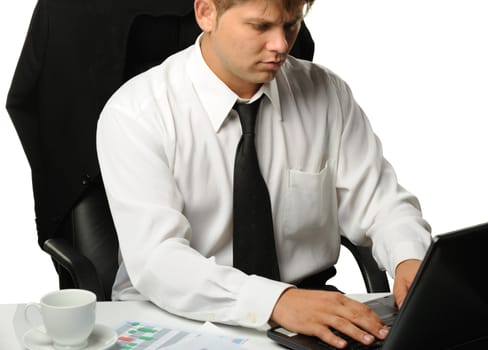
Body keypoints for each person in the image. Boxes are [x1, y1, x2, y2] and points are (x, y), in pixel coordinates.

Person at [96, 0, 432, 348]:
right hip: (173, 318)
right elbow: (158, 261)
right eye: (260, 27)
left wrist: (409, 257)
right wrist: (274, 301)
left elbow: (381, 202)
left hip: (304, 314)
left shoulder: (327, 93)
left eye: (291, 25)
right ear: (206, 13)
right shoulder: (136, 113)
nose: (281, 45)